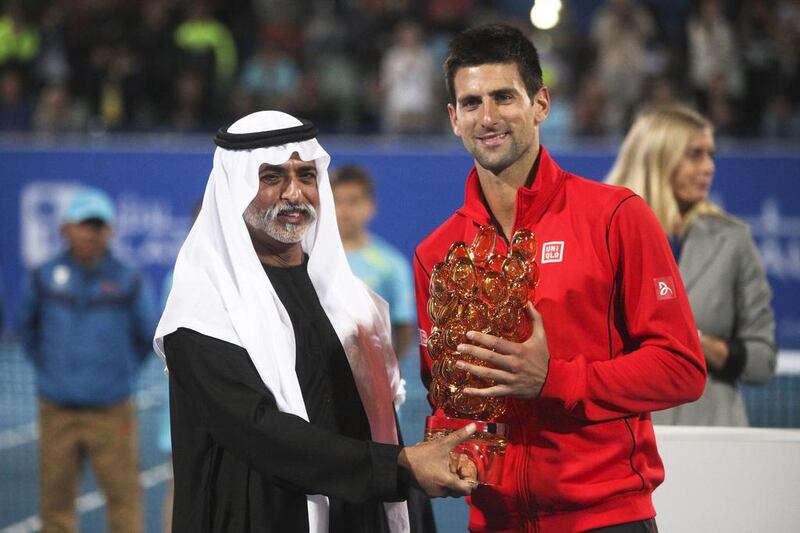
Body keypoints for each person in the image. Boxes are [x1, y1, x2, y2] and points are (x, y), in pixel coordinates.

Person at [413, 24, 706, 533]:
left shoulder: (616, 216)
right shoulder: (435, 254)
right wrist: (448, 445)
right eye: (471, 102)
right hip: (494, 523)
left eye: (504, 97)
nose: (488, 117)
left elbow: (681, 368)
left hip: (605, 519)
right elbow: (447, 394)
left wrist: (555, 379)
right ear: (453, 119)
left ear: (541, 104)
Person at [154, 110, 478, 533]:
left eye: (306, 175)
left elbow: (383, 427)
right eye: (271, 178)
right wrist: (400, 466)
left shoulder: (350, 300)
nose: (294, 193)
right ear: (233, 190)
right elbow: (260, 433)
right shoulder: (203, 311)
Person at [606, 105, 777, 426]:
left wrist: (695, 342)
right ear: (658, 158)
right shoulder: (603, 232)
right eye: (695, 155)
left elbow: (762, 362)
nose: (709, 167)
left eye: (710, 155)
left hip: (714, 439)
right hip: (625, 438)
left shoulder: (732, 239)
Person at [16, 186, 157, 533]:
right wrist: (54, 372)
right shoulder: (44, 276)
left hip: (112, 410)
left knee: (123, 500)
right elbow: (26, 330)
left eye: (99, 226)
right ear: (66, 228)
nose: (92, 234)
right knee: (55, 504)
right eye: (85, 225)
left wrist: (115, 376)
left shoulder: (129, 279)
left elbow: (145, 338)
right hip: (57, 410)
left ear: (110, 230)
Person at [331, 164, 415, 358]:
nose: (344, 210)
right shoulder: (309, 260)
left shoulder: (391, 265)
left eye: (353, 201)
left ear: (370, 206)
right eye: (336, 201)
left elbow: (403, 324)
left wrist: (388, 372)